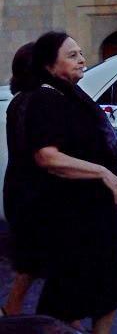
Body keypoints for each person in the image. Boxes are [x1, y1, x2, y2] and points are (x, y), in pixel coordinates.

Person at [25, 31, 117, 334]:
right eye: (72, 55)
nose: (82, 60)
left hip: (100, 213)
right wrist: (102, 173)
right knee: (70, 294)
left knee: (109, 290)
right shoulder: (44, 100)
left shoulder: (72, 94)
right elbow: (47, 157)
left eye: (81, 53)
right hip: (75, 216)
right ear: (49, 65)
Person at [2, 43, 43, 317]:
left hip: (24, 189)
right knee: (30, 263)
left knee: (33, 263)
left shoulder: (25, 100)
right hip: (30, 192)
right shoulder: (30, 102)